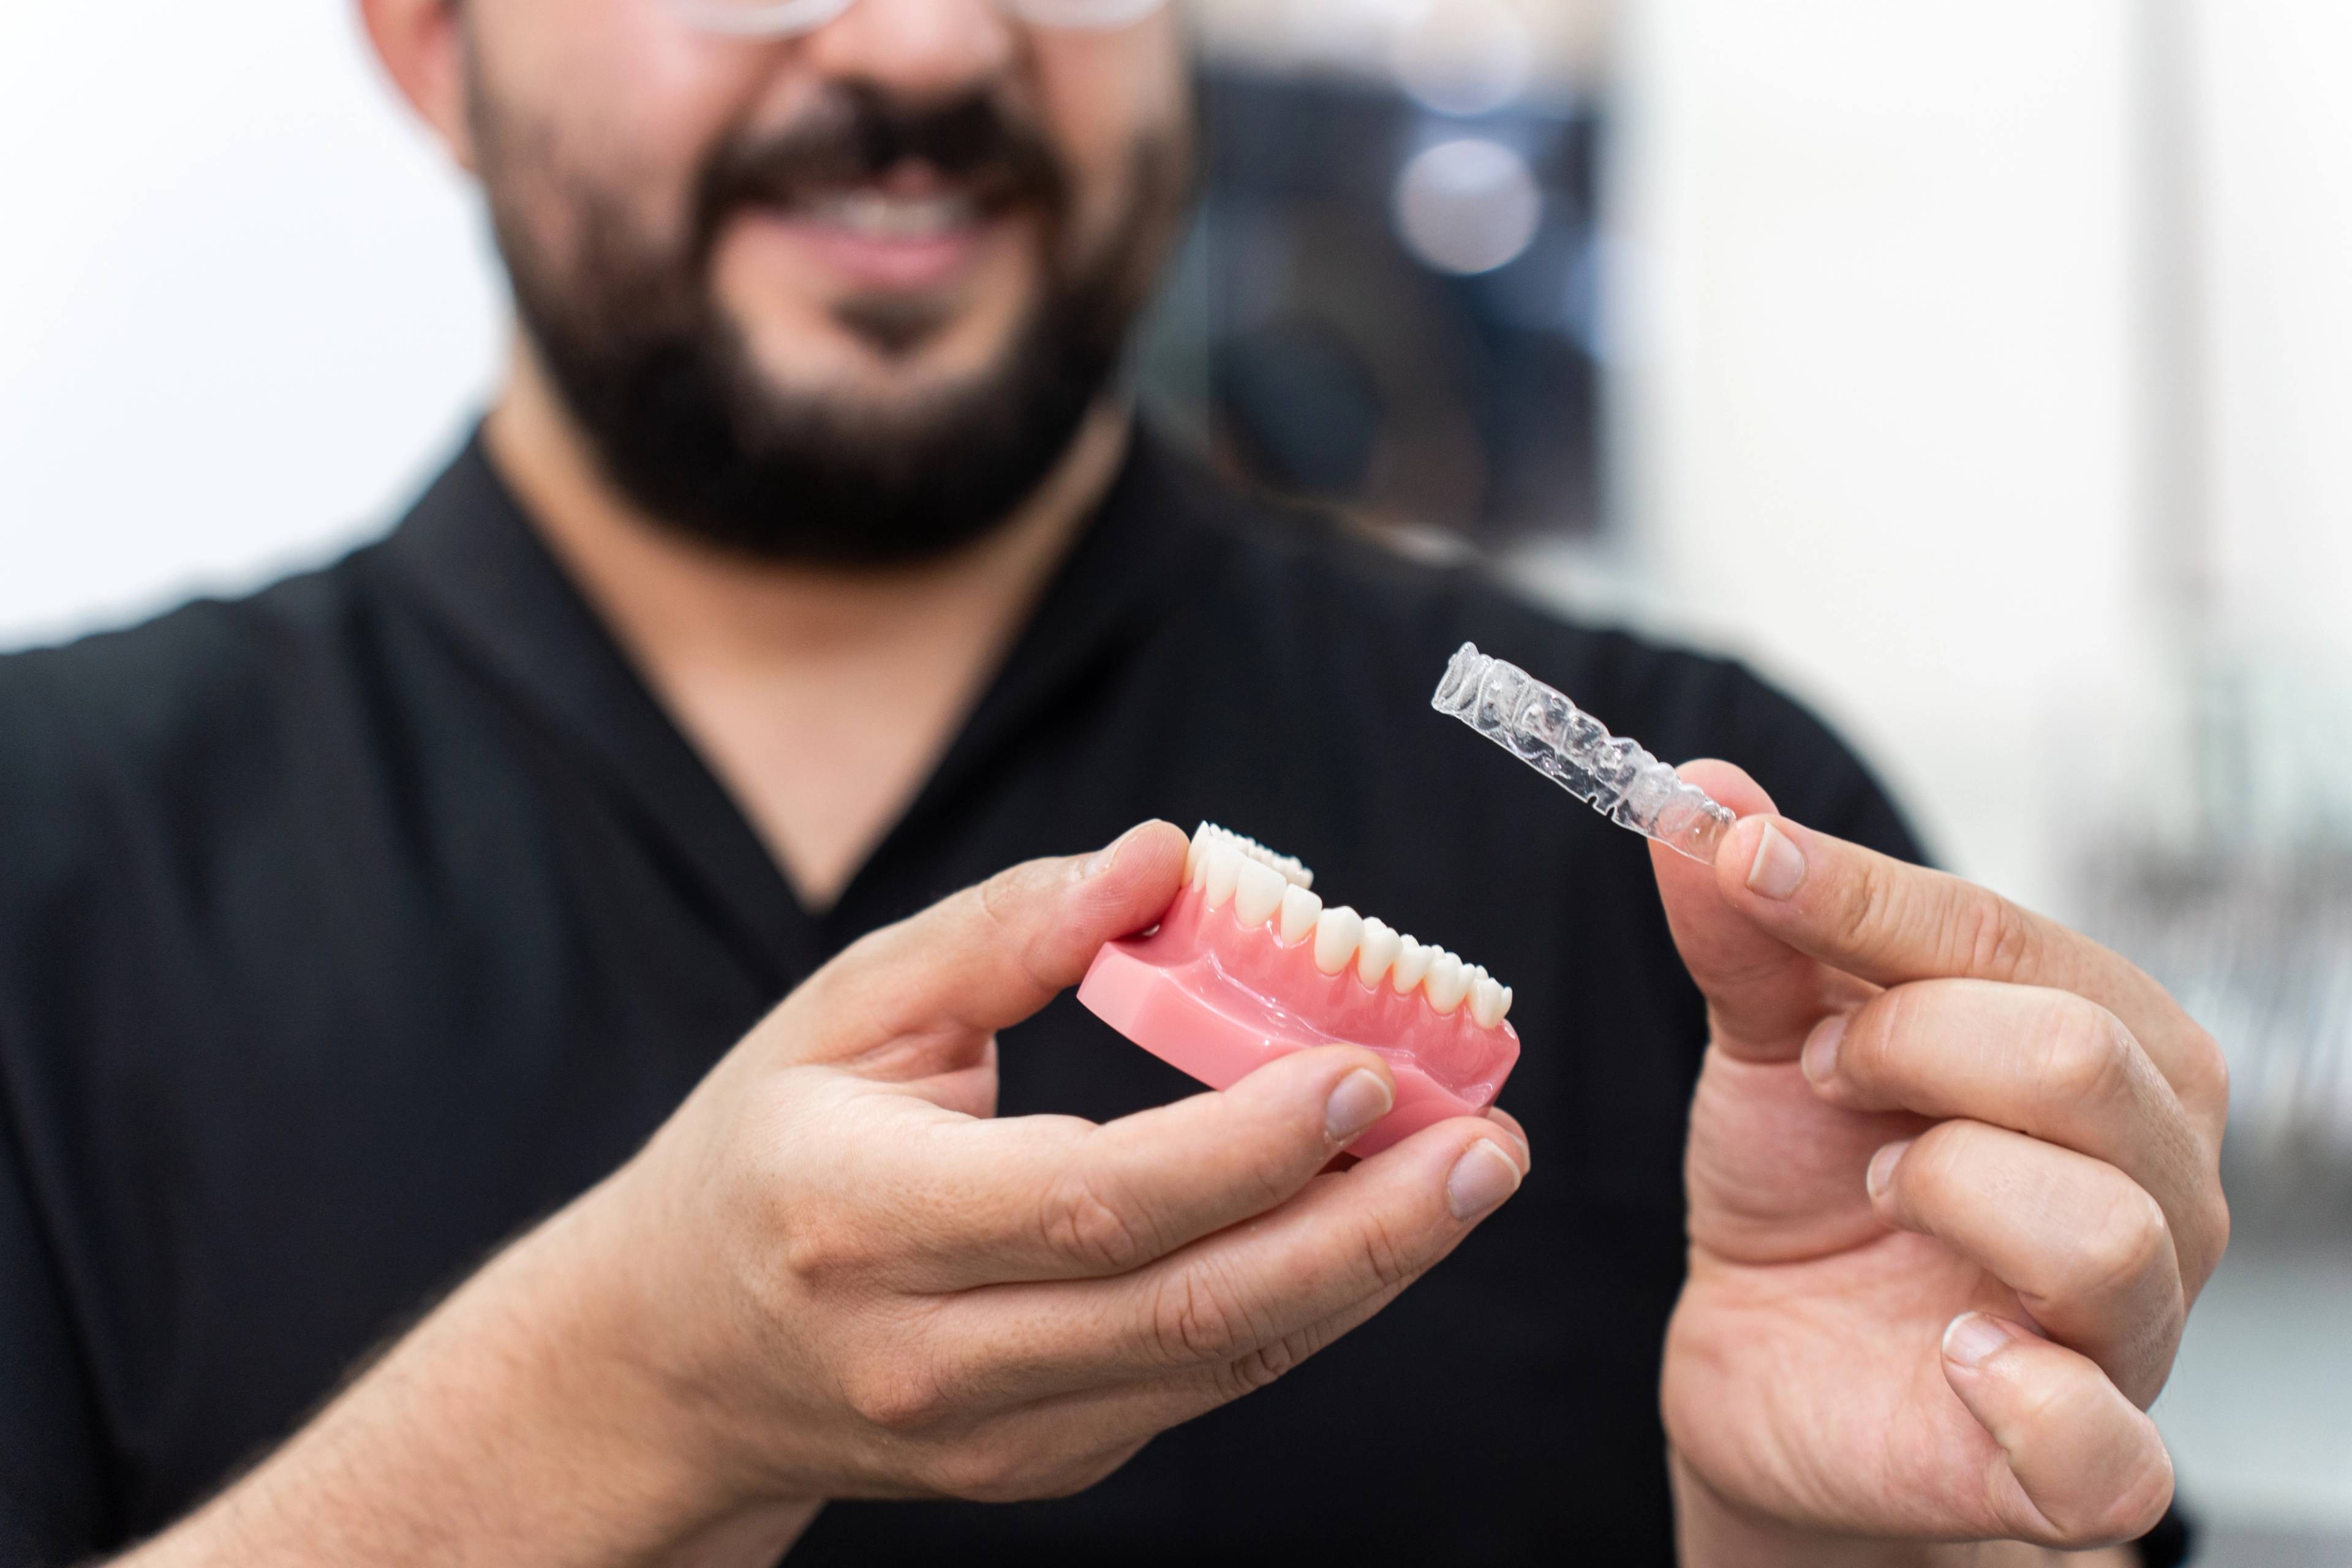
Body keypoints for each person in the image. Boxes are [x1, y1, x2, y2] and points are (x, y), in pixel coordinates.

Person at [0, 0, 2225, 1562]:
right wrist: (620, 1411)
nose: (930, 44)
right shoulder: (44, 855)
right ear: (427, 40)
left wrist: (1827, 1554)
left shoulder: (1704, 888)